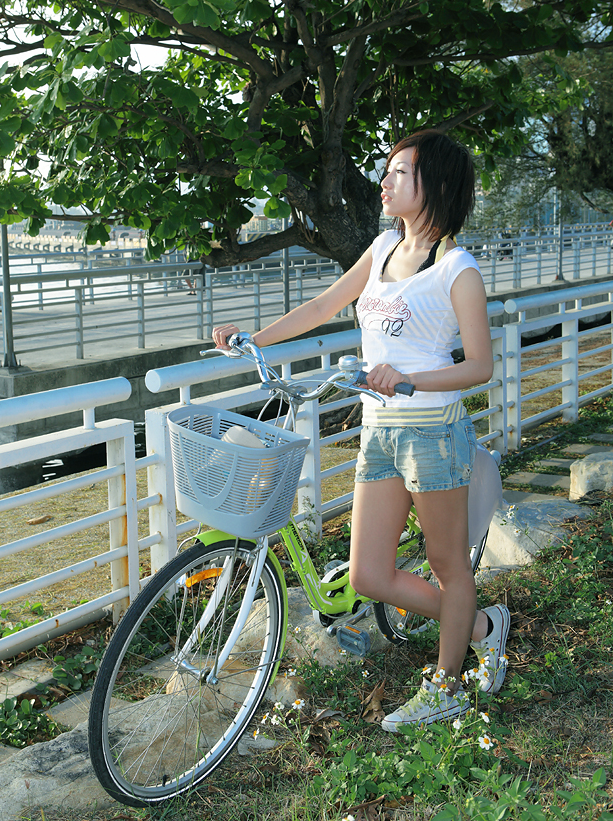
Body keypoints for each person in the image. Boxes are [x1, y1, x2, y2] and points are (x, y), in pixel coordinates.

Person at [212, 129, 510, 730]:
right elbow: (322, 306)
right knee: (369, 574)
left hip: (432, 432)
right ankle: (481, 625)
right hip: (378, 430)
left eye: (401, 172)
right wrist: (252, 339)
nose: (385, 180)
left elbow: (480, 366)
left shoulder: (457, 269)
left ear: (436, 185)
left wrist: (409, 379)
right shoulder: (381, 247)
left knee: (449, 567)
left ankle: (446, 686)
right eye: (387, 169)